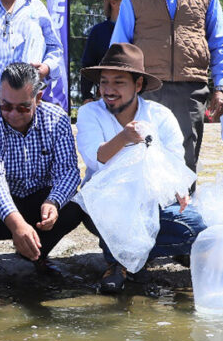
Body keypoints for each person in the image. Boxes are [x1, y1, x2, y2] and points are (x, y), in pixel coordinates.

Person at [77, 43, 206, 294]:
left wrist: (179, 188)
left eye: (119, 82)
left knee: (196, 227)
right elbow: (95, 159)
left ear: (138, 85)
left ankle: (138, 255)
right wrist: (124, 138)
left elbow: (175, 162)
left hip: (152, 203)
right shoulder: (89, 112)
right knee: (110, 206)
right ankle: (117, 262)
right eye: (104, 83)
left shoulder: (161, 115)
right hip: (105, 205)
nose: (109, 90)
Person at [111, 0, 223, 173]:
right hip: (145, 91)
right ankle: (147, 214)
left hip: (190, 91)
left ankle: (180, 213)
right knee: (142, 160)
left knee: (184, 162)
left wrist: (220, 86)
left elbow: (219, 42)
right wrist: (118, 87)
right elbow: (120, 47)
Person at [0, 62, 82, 293]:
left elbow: (69, 171)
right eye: (5, 105)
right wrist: (17, 224)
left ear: (38, 98)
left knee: (76, 206)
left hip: (38, 201)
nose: (12, 114)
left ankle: (34, 254)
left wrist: (54, 201)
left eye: (22, 107)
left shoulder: (58, 119)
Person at [80, 0, 127, 102]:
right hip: (105, 94)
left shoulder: (136, 29)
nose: (132, 3)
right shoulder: (98, 31)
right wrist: (86, 95)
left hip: (133, 94)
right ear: (113, 3)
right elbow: (88, 63)